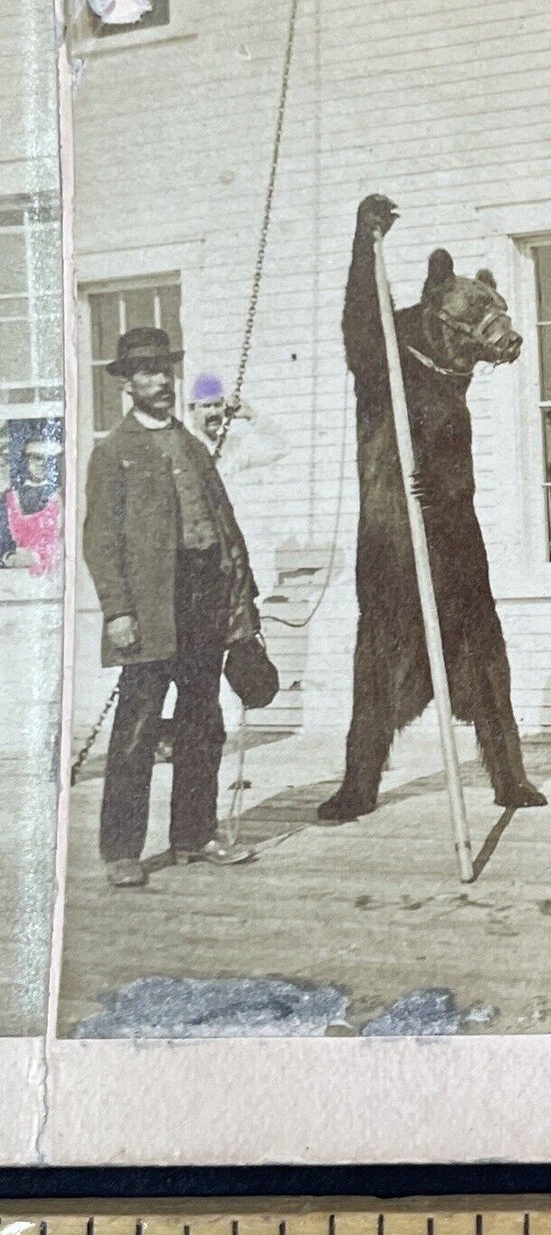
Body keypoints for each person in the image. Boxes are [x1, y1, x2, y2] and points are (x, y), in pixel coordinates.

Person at [82, 326, 260, 888]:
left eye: (164, 370)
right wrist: (118, 610)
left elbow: (225, 526)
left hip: (206, 594)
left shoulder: (190, 444)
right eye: (146, 372)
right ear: (127, 384)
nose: (159, 380)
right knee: (136, 729)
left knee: (203, 720)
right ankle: (121, 849)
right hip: (151, 604)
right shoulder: (113, 453)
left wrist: (241, 600)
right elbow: (99, 542)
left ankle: (194, 835)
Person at [188, 371, 288, 599]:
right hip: (199, 551)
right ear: (192, 410)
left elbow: (280, 447)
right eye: (205, 407)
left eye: (217, 405)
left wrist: (252, 416)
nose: (213, 413)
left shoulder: (234, 449)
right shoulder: (186, 448)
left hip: (232, 548)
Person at [0, 434, 63, 576]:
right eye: (35, 457)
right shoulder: (10, 499)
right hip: (13, 576)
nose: (41, 464)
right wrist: (8, 557)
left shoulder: (60, 497)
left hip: (53, 574)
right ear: (25, 461)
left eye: (47, 458)